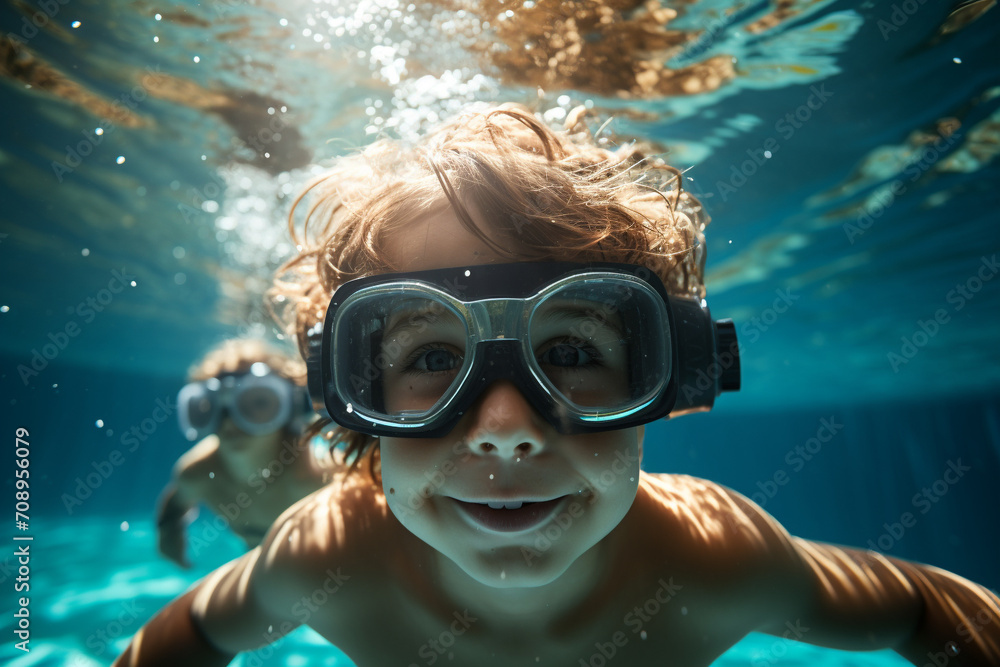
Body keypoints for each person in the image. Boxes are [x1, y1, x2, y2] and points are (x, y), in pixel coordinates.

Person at [116, 105, 999, 666]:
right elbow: (186, 635)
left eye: (572, 350)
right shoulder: (326, 555)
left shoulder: (714, 559)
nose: (505, 427)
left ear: (673, 372)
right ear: (348, 397)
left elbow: (929, 607)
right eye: (429, 361)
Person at [157, 338, 333, 566]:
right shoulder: (195, 474)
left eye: (258, 403)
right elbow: (177, 502)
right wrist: (168, 532)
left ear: (290, 409)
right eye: (214, 407)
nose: (230, 423)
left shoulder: (322, 477)